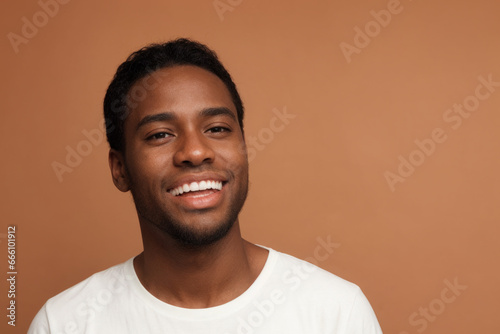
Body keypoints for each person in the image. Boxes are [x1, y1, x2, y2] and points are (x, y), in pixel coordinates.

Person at [28, 38, 383, 333]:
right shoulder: (63, 323)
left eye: (217, 129)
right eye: (160, 134)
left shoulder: (336, 313)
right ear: (120, 169)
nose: (195, 152)